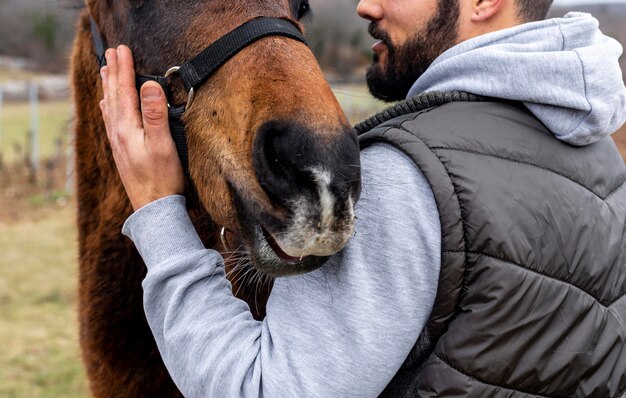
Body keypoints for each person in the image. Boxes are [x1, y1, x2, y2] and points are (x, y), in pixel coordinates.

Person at [99, 0, 626, 396]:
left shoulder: (409, 176)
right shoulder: (595, 151)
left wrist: (157, 212)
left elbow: (259, 388)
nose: (364, 6)